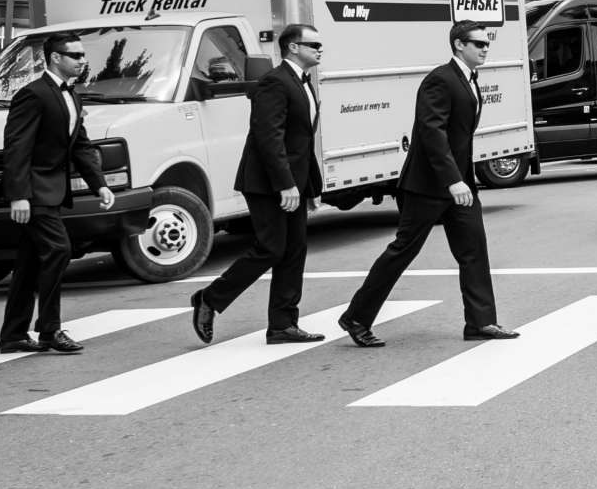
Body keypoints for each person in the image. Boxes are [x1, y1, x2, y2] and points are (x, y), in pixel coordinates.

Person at [340, 22, 517, 346]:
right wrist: (452, 180)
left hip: (460, 186)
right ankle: (356, 316)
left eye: (487, 43)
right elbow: (431, 133)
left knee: (474, 250)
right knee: (403, 251)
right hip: (428, 186)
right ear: (459, 45)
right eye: (478, 43)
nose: (485, 48)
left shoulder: (469, 80)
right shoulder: (440, 79)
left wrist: (463, 180)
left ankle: (481, 322)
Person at [192, 23, 325, 345]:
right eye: (314, 44)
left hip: (294, 181)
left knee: (294, 251)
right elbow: (269, 137)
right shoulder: (274, 82)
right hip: (268, 183)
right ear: (293, 47)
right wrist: (285, 184)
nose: (320, 49)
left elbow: (300, 139)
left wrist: (305, 185)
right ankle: (210, 298)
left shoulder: (302, 82)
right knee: (271, 247)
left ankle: (282, 325)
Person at [0, 31, 113, 355]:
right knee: (58, 249)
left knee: (30, 262)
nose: (82, 60)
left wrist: (100, 184)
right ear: (55, 58)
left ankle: (13, 335)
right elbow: (16, 146)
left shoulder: (72, 95)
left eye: (82, 55)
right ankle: (49, 330)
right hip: (35, 192)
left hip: (51, 191)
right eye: (75, 55)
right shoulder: (33, 95)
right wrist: (18, 195)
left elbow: (80, 145)